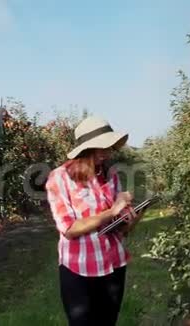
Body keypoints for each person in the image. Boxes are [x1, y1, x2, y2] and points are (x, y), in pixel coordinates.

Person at [45, 116, 143, 326]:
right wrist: (111, 211)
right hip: (79, 268)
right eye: (101, 145)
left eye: (110, 145)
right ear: (86, 148)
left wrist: (132, 218)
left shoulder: (110, 174)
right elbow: (69, 229)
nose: (107, 151)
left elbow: (121, 230)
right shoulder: (60, 178)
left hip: (113, 264)